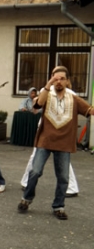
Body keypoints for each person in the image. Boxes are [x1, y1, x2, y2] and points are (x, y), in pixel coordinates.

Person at [18, 66, 94, 220]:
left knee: (64, 177)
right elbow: (37, 105)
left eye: (62, 79)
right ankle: (26, 199)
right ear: (51, 80)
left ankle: (58, 206)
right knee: (35, 171)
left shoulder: (73, 98)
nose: (58, 82)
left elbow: (90, 110)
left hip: (64, 143)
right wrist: (48, 85)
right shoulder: (47, 94)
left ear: (67, 81)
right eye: (55, 79)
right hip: (45, 140)